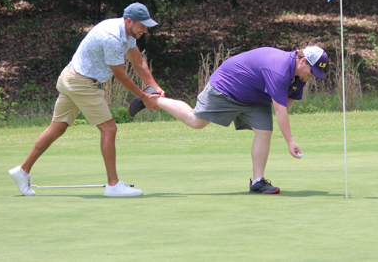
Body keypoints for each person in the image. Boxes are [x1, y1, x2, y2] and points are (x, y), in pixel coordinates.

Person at [9, 2, 164, 197]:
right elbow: (121, 76)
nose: (146, 29)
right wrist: (144, 97)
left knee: (57, 128)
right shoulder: (113, 38)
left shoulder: (127, 32)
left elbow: (139, 62)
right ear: (129, 20)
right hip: (81, 82)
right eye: (143, 25)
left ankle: (22, 171)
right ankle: (113, 185)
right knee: (109, 129)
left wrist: (155, 87)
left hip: (71, 76)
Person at [129, 46, 328, 194]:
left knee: (265, 130)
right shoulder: (280, 70)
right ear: (302, 61)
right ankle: (152, 98)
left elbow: (286, 102)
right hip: (228, 85)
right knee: (195, 121)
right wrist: (289, 141)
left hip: (253, 96)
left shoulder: (300, 76)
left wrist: (274, 119)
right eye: (312, 72)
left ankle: (257, 182)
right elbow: (280, 109)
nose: (312, 77)